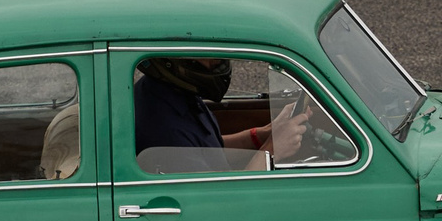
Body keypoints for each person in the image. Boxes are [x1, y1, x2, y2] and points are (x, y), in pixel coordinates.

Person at [133, 57, 318, 161]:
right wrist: (272, 150)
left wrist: (263, 134)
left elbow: (208, 151)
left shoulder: (169, 92)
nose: (218, 60)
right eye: (206, 52)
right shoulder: (165, 130)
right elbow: (220, 200)